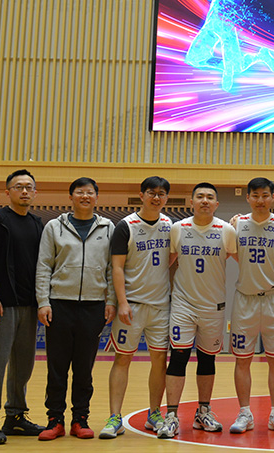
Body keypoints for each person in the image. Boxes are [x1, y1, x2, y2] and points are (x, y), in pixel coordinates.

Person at [35, 177, 116, 440]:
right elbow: (44, 266)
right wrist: (43, 302)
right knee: (56, 368)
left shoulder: (108, 227)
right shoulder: (54, 226)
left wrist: (111, 301)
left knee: (84, 369)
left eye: (90, 192)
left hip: (93, 307)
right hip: (59, 304)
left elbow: (112, 268)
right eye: (79, 192)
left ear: (96, 197)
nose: (85, 196)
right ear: (70, 197)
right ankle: (54, 420)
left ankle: (80, 419)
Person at [157, 183, 237, 439]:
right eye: (200, 196)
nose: (205, 200)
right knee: (178, 357)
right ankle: (171, 415)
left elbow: (242, 260)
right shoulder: (178, 229)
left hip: (213, 306)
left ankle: (203, 411)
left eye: (210, 197)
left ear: (216, 204)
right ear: (190, 202)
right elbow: (165, 263)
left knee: (207, 359)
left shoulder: (227, 231)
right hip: (183, 304)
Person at [99, 177, 173, 439]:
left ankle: (154, 414)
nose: (156, 197)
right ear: (141, 195)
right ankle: (114, 417)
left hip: (161, 306)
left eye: (161, 193)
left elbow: (172, 256)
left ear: (166, 198)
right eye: (151, 193)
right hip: (131, 306)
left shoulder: (170, 226)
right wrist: (122, 302)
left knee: (160, 360)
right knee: (123, 359)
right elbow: (117, 267)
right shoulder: (126, 226)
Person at [0, 169, 45, 444]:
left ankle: (15, 416)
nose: (24, 191)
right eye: (19, 186)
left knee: (23, 365)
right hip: (2, 304)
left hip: (29, 305)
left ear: (35, 192)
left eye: (29, 187)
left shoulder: (38, 224)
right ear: (8, 192)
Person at [229, 177, 274, 434]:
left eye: (265, 195)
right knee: (242, 360)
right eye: (255, 195)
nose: (260, 200)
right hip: (244, 299)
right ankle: (244, 413)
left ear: (272, 197)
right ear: (247, 197)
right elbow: (235, 255)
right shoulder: (237, 224)